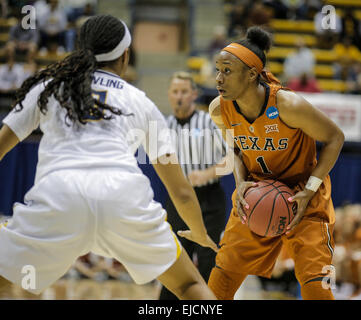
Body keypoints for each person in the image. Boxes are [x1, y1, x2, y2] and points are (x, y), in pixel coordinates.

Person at [0, 14, 218, 300]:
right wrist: (200, 235)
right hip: (123, 198)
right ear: (126, 56)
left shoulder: (49, 87)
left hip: (59, 197)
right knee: (190, 286)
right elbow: (181, 192)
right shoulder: (141, 101)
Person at [203, 26, 345, 300]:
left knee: (317, 286)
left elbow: (335, 138)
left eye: (227, 71)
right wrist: (240, 181)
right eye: (218, 69)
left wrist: (310, 189)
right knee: (221, 279)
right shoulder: (219, 108)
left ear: (252, 74)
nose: (219, 78)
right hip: (256, 193)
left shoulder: (287, 105)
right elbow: (234, 148)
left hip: (304, 196)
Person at [159, 71, 232, 300]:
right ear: (169, 95)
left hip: (209, 198)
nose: (179, 96)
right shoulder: (164, 126)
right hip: (178, 199)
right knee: (176, 259)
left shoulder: (208, 122)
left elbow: (232, 159)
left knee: (209, 259)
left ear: (193, 94)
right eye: (175, 91)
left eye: (183, 91)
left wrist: (208, 173)